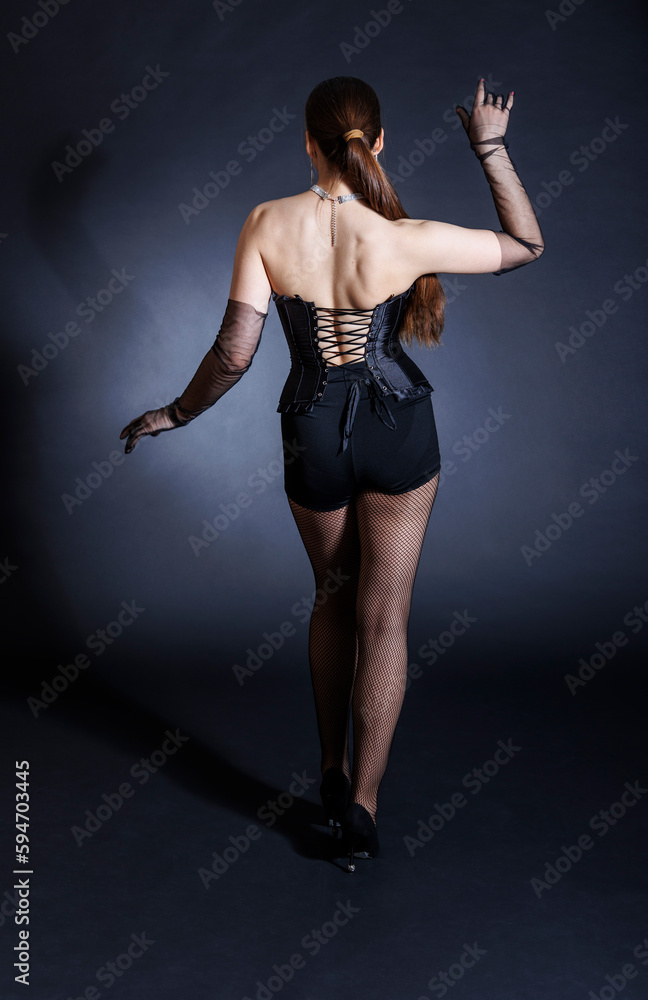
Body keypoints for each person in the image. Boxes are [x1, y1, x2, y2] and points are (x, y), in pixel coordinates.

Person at [120, 75, 544, 872]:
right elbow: (525, 245)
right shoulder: (407, 236)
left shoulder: (264, 223)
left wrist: (174, 414)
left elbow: (234, 356)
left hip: (310, 429)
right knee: (384, 620)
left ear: (307, 143)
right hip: (399, 429)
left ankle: (326, 770)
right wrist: (489, 148)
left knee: (331, 598)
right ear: (375, 143)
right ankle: (363, 807)